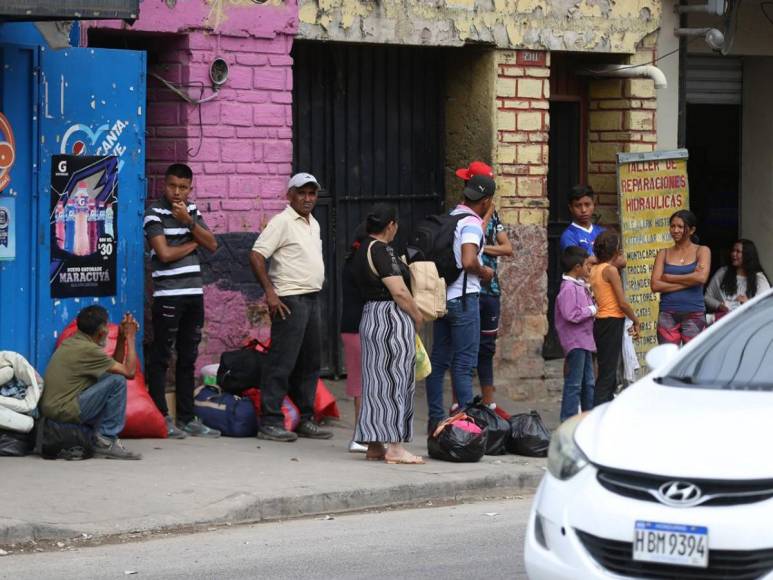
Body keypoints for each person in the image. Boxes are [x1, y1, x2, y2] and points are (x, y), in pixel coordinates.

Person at [250, 172, 333, 442]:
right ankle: (270, 421)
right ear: (290, 195)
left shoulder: (313, 223)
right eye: (302, 193)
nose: (307, 198)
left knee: (310, 363)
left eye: (312, 193)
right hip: (289, 300)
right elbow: (257, 254)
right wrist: (270, 293)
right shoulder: (282, 222)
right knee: (281, 361)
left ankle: (306, 418)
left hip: (312, 298)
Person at [144, 163, 220, 439]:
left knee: (188, 357)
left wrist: (189, 223)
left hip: (193, 294)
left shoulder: (193, 212)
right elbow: (163, 254)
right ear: (164, 185)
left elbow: (212, 244)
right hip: (167, 296)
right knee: (162, 356)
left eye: (183, 188)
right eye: (172, 186)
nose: (177, 192)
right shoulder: (154, 213)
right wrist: (193, 243)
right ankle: (160, 416)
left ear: (190, 188)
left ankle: (187, 418)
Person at [352, 203, 424, 464]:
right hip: (391, 318)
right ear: (391, 225)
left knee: (375, 382)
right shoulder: (382, 250)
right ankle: (394, 446)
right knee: (396, 380)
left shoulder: (361, 249)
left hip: (371, 316)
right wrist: (417, 317)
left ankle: (374, 445)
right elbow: (399, 291)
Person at [425, 174, 495, 433]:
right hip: (465, 300)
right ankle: (466, 428)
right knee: (464, 363)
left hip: (443, 298)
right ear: (487, 200)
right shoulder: (472, 225)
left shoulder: (452, 217)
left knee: (439, 360)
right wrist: (485, 271)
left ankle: (435, 420)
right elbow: (468, 260)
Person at [40, 306, 142, 460]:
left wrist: (121, 338)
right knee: (118, 381)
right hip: (63, 410)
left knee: (111, 378)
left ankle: (101, 437)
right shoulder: (87, 350)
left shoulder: (74, 342)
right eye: (107, 326)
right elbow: (129, 372)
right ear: (101, 332)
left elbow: (114, 367)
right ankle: (106, 441)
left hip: (56, 408)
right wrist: (131, 337)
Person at [455, 162, 513, 408]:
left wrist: (480, 246)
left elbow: (507, 247)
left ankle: (488, 403)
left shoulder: (491, 217)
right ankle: (461, 404)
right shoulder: (461, 214)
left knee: (485, 348)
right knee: (463, 348)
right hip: (466, 289)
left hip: (489, 290)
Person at [590, 230, 640, 406]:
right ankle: (597, 413)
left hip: (601, 321)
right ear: (615, 251)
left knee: (606, 370)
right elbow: (623, 303)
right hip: (612, 320)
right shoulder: (611, 270)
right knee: (608, 373)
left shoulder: (595, 268)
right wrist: (636, 320)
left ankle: (603, 408)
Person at [650, 210, 711, 345]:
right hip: (667, 313)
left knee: (693, 359)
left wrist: (669, 277)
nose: (675, 230)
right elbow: (655, 285)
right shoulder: (663, 253)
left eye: (680, 227)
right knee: (668, 359)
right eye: (672, 226)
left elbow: (701, 278)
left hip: (694, 312)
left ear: (691, 230)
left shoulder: (702, 250)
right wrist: (690, 280)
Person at [555, 247, 596, 422]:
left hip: (585, 341)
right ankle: (568, 420)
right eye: (587, 265)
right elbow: (571, 313)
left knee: (588, 383)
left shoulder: (578, 286)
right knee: (574, 384)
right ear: (577, 267)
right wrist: (591, 309)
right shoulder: (568, 288)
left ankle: (588, 419)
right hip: (576, 342)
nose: (589, 268)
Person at [340, 224, 368, 453]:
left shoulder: (351, 262)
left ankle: (364, 434)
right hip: (359, 327)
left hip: (352, 326)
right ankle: (360, 436)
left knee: (362, 382)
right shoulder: (363, 265)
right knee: (362, 383)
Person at [705, 239, 770, 316]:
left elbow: (766, 307)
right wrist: (720, 306)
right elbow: (707, 297)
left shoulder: (759, 279)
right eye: (733, 250)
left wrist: (749, 303)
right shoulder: (722, 272)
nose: (733, 254)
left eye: (738, 251)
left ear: (748, 255)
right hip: (725, 321)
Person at [559, 185, 605, 258]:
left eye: (587, 205)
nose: (583, 210)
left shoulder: (602, 232)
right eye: (578, 206)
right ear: (570, 208)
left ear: (594, 205)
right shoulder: (569, 236)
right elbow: (579, 264)